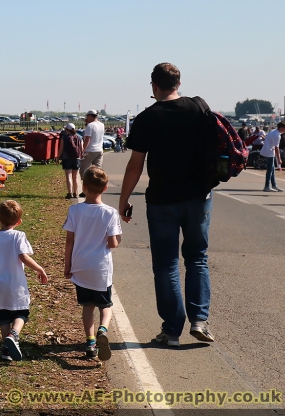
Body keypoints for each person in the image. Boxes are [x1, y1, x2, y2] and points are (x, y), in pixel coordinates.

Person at [119, 62, 216, 347]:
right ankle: (199, 320)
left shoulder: (147, 118)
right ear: (178, 84)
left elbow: (136, 164)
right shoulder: (199, 108)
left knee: (166, 264)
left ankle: (172, 330)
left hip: (162, 200)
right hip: (199, 196)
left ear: (154, 86)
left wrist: (124, 200)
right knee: (197, 257)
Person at [64, 167, 122, 360]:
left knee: (87, 307)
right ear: (105, 188)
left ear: (85, 187)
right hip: (101, 268)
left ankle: (90, 343)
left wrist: (67, 266)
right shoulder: (110, 213)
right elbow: (112, 243)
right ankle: (102, 330)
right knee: (105, 306)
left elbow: (69, 241)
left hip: (80, 267)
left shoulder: (74, 210)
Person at [0, 200, 49, 361]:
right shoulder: (19, 236)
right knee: (21, 312)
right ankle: (14, 334)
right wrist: (39, 269)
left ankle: (6, 351)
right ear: (18, 222)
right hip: (15, 283)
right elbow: (23, 256)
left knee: (3, 317)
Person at [78, 110, 105, 196]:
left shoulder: (90, 126)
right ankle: (98, 188)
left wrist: (83, 150)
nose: (86, 118)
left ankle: (86, 190)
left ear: (91, 116)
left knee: (84, 171)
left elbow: (87, 139)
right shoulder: (102, 125)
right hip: (99, 150)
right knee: (98, 171)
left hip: (90, 150)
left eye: (87, 116)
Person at [259, 120, 285, 192]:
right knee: (270, 170)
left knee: (272, 169)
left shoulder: (273, 131)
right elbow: (277, 147)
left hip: (267, 151)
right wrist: (279, 159)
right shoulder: (277, 135)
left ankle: (274, 185)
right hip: (269, 153)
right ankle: (267, 186)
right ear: (281, 127)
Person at [59, 123, 84, 199]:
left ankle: (70, 193)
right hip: (76, 158)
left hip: (66, 158)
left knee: (68, 176)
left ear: (67, 129)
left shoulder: (64, 137)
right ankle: (76, 193)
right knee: (75, 177)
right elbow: (82, 149)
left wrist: (57, 157)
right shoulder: (79, 137)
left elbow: (61, 148)